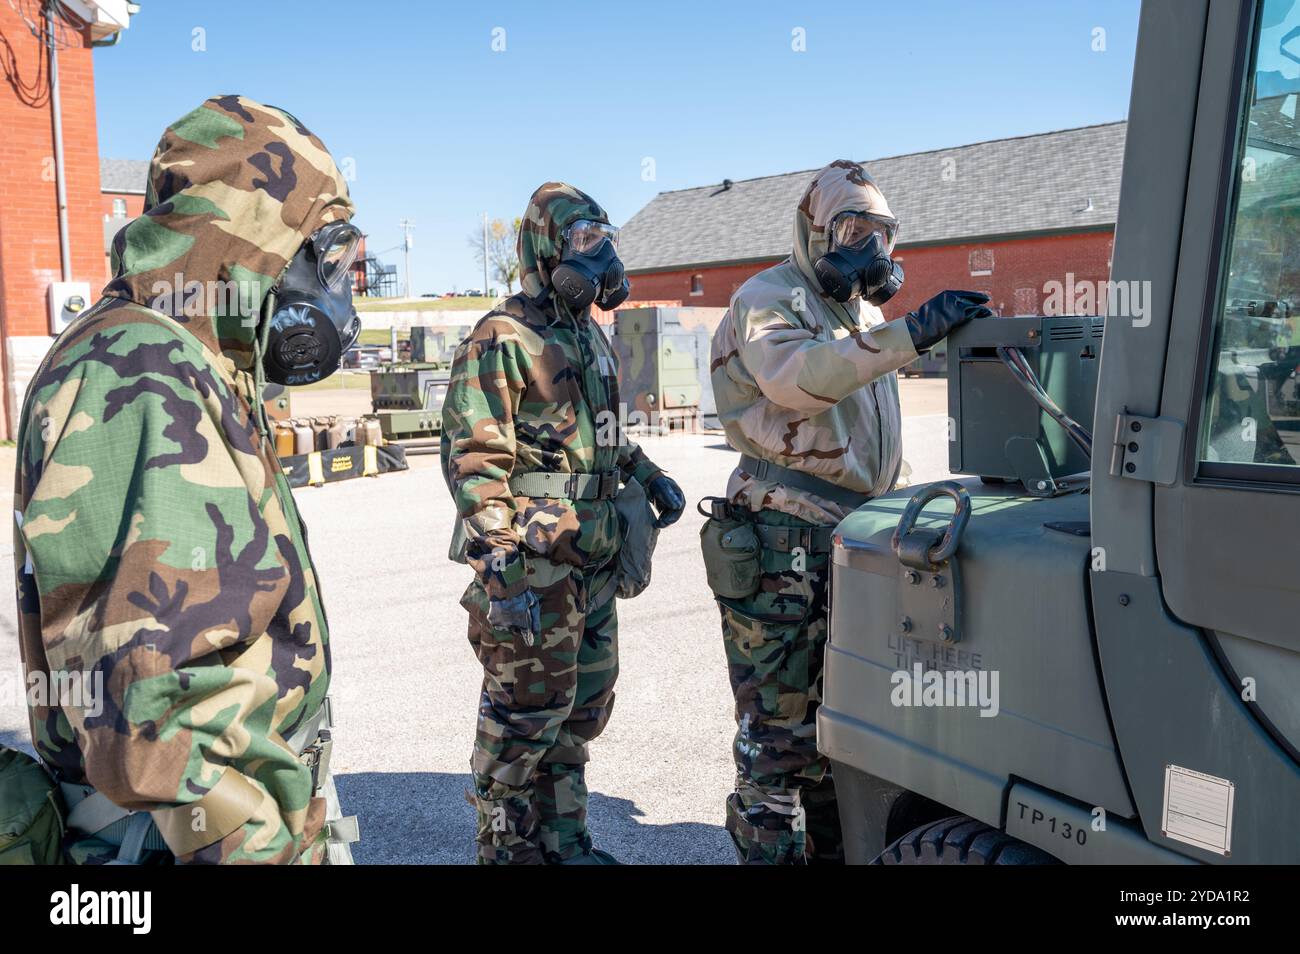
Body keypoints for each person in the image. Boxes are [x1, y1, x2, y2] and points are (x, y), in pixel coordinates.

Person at [14, 95, 361, 864]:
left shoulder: (194, 357)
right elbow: (154, 718)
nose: (338, 291)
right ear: (254, 237)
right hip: (186, 841)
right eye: (324, 255)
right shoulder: (138, 367)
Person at [707, 159, 992, 863]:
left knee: (842, 737)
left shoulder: (860, 315)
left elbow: (870, 434)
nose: (870, 248)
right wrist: (909, 333)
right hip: (781, 541)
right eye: (852, 230)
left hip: (852, 540)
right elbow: (802, 379)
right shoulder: (768, 299)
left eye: (882, 233)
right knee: (779, 745)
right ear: (814, 232)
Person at [442, 182, 686, 864]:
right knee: (525, 713)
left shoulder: (590, 336)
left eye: (604, 240)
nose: (600, 254)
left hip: (595, 557)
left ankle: (566, 842)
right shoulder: (503, 336)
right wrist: (498, 564)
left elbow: (605, 435)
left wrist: (645, 473)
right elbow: (474, 459)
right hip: (534, 560)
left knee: (581, 707)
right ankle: (504, 849)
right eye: (583, 241)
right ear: (546, 248)